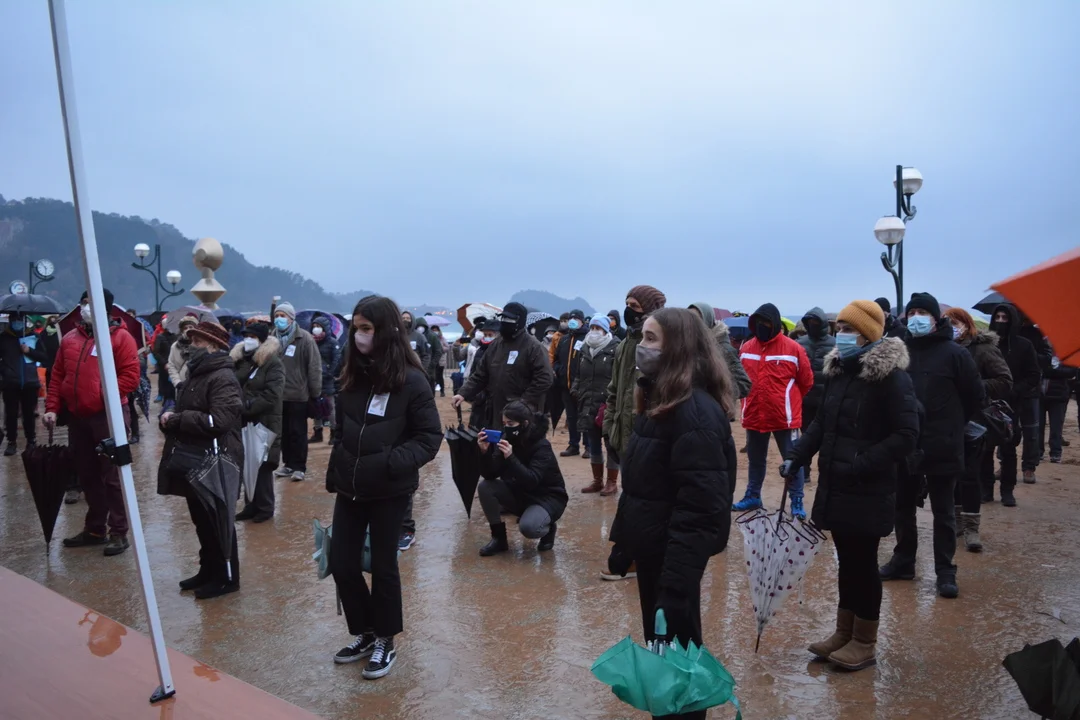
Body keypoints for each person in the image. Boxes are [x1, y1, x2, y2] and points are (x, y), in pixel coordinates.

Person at [605, 308, 734, 720]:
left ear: (677, 347)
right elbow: (642, 484)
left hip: (673, 556)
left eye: (651, 338)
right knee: (663, 649)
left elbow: (701, 507)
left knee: (679, 654)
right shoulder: (661, 401)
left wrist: (676, 583)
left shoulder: (694, 413)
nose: (641, 347)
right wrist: (625, 543)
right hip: (654, 548)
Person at [781, 300, 919, 671]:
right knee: (847, 562)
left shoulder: (892, 378)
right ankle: (844, 632)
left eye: (847, 329)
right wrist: (797, 455)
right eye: (839, 328)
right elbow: (821, 424)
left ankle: (864, 641)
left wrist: (861, 463)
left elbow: (906, 435)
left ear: (867, 334)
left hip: (868, 488)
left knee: (863, 563)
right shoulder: (840, 372)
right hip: (837, 485)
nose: (840, 335)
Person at [327, 296, 442, 679]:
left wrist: (391, 463)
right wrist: (340, 460)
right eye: (356, 328)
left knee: (383, 566)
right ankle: (364, 630)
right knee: (342, 563)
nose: (359, 336)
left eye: (367, 328)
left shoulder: (412, 380)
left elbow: (429, 437)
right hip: (350, 487)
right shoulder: (351, 376)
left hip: (390, 490)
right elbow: (342, 428)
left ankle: (385, 639)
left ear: (387, 331)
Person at [879, 293, 984, 599]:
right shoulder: (899, 351)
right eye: (911, 312)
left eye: (922, 312)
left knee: (944, 511)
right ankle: (904, 561)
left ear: (936, 319)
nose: (916, 318)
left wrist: (951, 423)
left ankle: (945, 571)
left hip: (943, 443)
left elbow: (975, 396)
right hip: (906, 442)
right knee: (902, 506)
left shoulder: (955, 354)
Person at [44, 289, 141, 557]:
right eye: (83, 303)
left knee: (113, 476)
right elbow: (57, 375)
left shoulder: (120, 338)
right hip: (79, 418)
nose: (85, 307)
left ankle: (119, 532)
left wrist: (97, 397)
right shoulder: (70, 339)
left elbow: (130, 377)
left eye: (90, 303)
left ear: (105, 307)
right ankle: (95, 529)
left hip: (108, 416)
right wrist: (52, 408)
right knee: (87, 475)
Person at [156, 322, 244, 599]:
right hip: (197, 459)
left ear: (213, 346)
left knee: (218, 520)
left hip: (217, 461)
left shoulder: (222, 377)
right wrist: (170, 417)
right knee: (202, 521)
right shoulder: (196, 372)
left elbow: (220, 420)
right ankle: (208, 570)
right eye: (191, 340)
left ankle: (227, 578)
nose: (191, 346)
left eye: (197, 341)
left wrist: (178, 419)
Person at [599, 285, 667, 580]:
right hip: (624, 433)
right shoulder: (625, 344)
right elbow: (614, 389)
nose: (629, 310)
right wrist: (609, 425)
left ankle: (636, 556)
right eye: (627, 304)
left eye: (635, 306)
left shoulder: (661, 344)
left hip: (650, 434)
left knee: (645, 497)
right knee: (633, 494)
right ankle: (633, 555)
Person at [732, 303, 814, 519]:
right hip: (754, 414)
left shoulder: (793, 349)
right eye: (758, 322)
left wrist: (787, 401)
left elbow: (806, 381)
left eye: (766, 322)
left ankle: (797, 500)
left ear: (775, 324)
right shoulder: (746, 348)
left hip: (784, 417)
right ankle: (753, 495)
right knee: (755, 459)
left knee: (792, 460)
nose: (762, 326)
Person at [944, 308, 1012, 552]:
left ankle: (971, 527)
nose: (952, 327)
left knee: (970, 474)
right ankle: (956, 521)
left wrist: (973, 386)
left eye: (955, 323)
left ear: (966, 324)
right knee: (951, 472)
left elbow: (1005, 380)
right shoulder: (943, 348)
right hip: (947, 420)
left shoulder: (982, 349)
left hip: (974, 420)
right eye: (947, 323)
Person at [476, 400, 567, 555]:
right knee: (486, 487)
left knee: (529, 528)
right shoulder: (506, 439)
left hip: (547, 497)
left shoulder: (542, 445)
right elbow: (490, 474)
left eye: (511, 424)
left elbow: (532, 480)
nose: (506, 427)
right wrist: (484, 453)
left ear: (524, 423)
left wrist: (511, 457)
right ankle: (499, 538)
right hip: (520, 492)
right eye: (504, 423)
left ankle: (549, 527)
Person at [453, 302, 554, 430]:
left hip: (522, 413)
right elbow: (480, 374)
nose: (506, 322)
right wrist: (463, 393)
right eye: (504, 318)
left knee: (518, 441)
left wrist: (524, 401)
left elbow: (545, 378)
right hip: (495, 409)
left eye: (510, 319)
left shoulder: (533, 347)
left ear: (520, 321)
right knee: (495, 440)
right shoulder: (496, 345)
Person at [983, 303, 1040, 506]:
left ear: (1012, 320)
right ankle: (986, 489)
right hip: (987, 404)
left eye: (1004, 318)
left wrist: (1015, 390)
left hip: (1012, 406)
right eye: (997, 317)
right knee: (985, 449)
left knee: (1008, 449)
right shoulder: (986, 344)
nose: (1000, 321)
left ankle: (1007, 490)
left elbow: (1033, 375)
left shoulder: (1024, 346)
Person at [232, 322, 285, 522]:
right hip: (243, 422)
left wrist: (246, 407)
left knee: (262, 464)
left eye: (252, 337)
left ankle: (265, 507)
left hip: (264, 421)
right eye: (246, 336)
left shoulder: (273, 363)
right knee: (247, 463)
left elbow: (273, 394)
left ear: (261, 340)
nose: (248, 340)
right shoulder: (241, 360)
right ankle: (250, 505)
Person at [270, 301, 321, 482]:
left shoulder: (304, 338)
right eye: (277, 316)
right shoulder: (272, 338)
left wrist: (315, 393)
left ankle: (299, 466)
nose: (279, 319)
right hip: (278, 395)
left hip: (298, 394)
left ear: (291, 318)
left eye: (282, 316)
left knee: (298, 432)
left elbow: (314, 367)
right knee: (283, 432)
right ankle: (288, 464)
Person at [572, 313, 620, 495]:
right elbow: (578, 373)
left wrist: (613, 399)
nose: (594, 331)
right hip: (587, 402)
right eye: (592, 327)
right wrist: (575, 389)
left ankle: (612, 482)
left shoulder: (615, 348)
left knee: (611, 444)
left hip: (607, 404)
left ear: (605, 330)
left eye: (598, 328)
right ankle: (597, 480)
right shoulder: (584, 348)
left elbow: (619, 377)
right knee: (593, 443)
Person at [796, 307, 837, 484]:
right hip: (804, 400)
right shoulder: (799, 343)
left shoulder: (835, 344)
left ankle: (825, 472)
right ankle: (804, 471)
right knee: (806, 437)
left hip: (826, 400)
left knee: (827, 438)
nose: (812, 325)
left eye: (816, 322)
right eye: (810, 322)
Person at [1, 312, 47, 455]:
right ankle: (11, 442)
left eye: (20, 319)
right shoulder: (3, 338)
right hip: (10, 383)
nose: (17, 322)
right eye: (14, 319)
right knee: (11, 414)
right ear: (10, 320)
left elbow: (43, 356)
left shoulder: (33, 337)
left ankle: (31, 441)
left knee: (29, 414)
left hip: (30, 382)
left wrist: (29, 351)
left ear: (24, 320)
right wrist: (5, 370)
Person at [688, 302, 751, 402]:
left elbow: (743, 384)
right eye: (689, 319)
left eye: (696, 319)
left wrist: (714, 393)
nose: (691, 323)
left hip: (714, 408)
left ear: (707, 320)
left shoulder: (724, 348)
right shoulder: (690, 345)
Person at [1017, 311, 1052, 483]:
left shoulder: (1039, 335)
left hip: (1031, 389)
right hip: (1011, 388)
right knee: (1006, 429)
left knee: (1031, 431)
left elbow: (1047, 359)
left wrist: (1029, 353)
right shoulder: (1010, 332)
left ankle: (1029, 467)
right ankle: (1004, 464)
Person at [552, 309, 589, 457]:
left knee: (585, 416)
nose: (572, 321)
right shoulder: (564, 339)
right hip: (565, 385)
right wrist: (558, 370)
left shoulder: (587, 338)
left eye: (576, 319)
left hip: (582, 386)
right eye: (571, 319)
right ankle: (573, 445)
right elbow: (556, 359)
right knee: (571, 417)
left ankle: (588, 446)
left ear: (582, 321)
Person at [1040, 343, 1075, 465]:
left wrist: (1052, 371)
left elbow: (1071, 371)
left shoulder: (1067, 356)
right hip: (1041, 394)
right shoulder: (1042, 354)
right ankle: (1038, 452)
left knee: (1056, 427)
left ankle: (1055, 453)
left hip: (1059, 396)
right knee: (1039, 427)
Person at [309, 315, 340, 445]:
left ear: (325, 328)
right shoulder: (311, 342)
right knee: (316, 406)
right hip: (314, 379)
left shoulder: (332, 343)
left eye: (318, 326)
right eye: (314, 326)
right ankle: (317, 432)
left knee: (330, 407)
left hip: (327, 380)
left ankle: (334, 432)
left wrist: (330, 373)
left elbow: (337, 360)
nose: (315, 329)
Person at [167, 315, 198, 390]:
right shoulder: (175, 346)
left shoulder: (201, 345)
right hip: (181, 385)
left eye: (191, 327)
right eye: (185, 328)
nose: (188, 330)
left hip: (198, 385)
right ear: (182, 330)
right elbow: (171, 365)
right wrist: (177, 382)